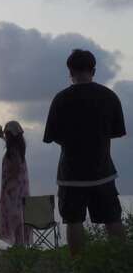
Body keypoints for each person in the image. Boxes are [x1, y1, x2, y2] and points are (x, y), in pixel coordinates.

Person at [43, 49, 126, 257]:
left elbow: (51, 136)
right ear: (94, 70)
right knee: (113, 220)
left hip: (71, 175)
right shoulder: (110, 97)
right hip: (104, 172)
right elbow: (116, 132)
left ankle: (78, 268)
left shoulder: (61, 99)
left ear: (70, 71)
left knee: (73, 221)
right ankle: (121, 266)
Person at [0, 121, 32, 246]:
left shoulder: (13, 152)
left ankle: (18, 244)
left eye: (7, 133)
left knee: (15, 218)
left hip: (12, 190)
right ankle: (19, 243)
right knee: (18, 217)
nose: (6, 135)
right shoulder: (18, 148)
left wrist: (6, 184)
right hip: (18, 190)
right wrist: (2, 137)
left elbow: (15, 170)